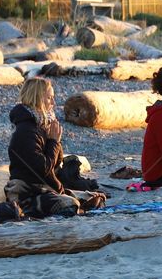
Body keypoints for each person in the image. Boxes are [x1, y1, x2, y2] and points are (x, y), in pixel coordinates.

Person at [6, 77, 103, 218]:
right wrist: (53, 142)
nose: (53, 103)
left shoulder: (43, 126)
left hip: (47, 188)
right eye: (49, 98)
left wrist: (55, 142)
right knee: (71, 205)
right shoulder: (26, 131)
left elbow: (56, 165)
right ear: (37, 99)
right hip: (28, 193)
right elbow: (43, 170)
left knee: (96, 198)